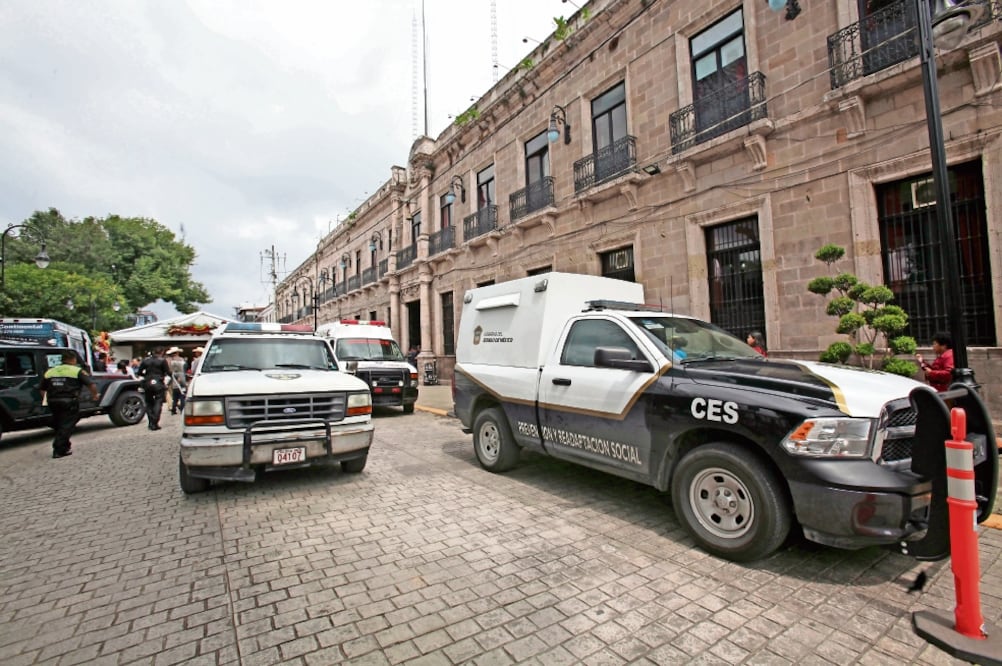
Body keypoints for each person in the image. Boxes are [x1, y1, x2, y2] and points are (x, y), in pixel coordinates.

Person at [40, 351, 99, 458]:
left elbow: (42, 389)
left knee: (60, 424)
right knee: (67, 425)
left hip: (53, 401)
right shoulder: (76, 371)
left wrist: (47, 400)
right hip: (69, 401)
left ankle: (66, 446)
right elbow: (91, 384)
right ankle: (59, 449)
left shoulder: (50, 371)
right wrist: (95, 395)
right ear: (73, 359)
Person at [137, 347, 171, 430]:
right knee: (158, 401)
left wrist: (146, 376)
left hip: (148, 382)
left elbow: (139, 372)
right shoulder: (162, 361)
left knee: (149, 402)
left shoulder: (145, 360)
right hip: (158, 382)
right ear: (162, 352)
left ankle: (151, 421)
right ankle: (155, 420)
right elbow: (168, 372)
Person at [167, 347, 188, 415]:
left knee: (175, 395)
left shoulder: (169, 361)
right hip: (181, 376)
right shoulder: (181, 360)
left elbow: (169, 370)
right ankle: (182, 409)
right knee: (182, 394)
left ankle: (173, 409)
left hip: (173, 377)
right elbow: (185, 368)